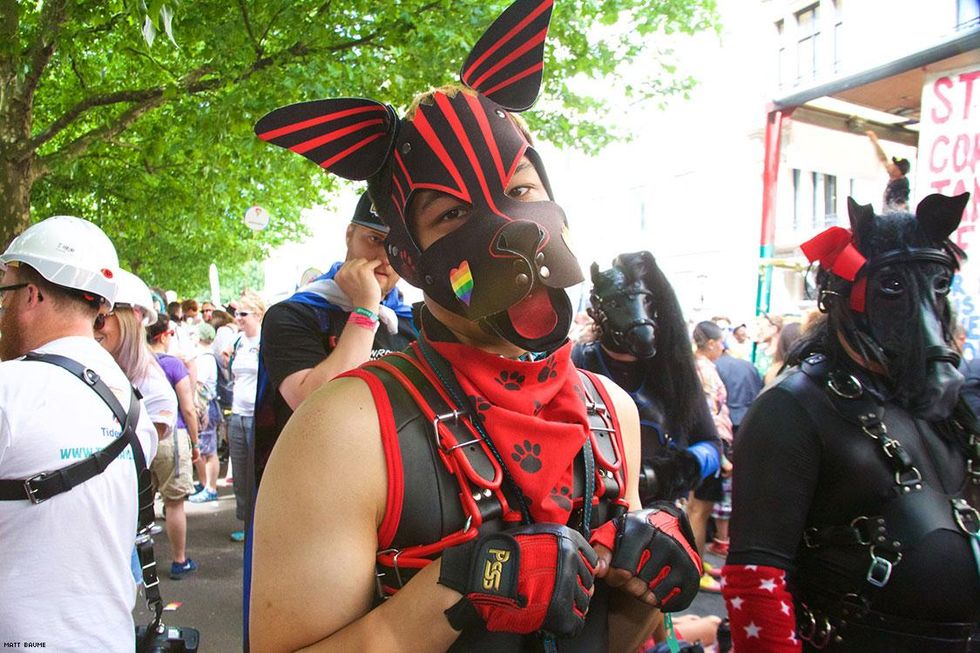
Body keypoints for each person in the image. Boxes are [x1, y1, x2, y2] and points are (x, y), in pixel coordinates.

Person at [249, 1, 702, 650]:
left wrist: (645, 584)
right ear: (407, 256)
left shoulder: (612, 415)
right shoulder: (345, 430)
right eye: (452, 215)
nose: (511, 232)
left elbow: (606, 635)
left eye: (520, 192)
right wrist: (449, 597)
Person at [723, 193, 979, 651]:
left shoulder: (946, 408)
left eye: (936, 286)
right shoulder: (791, 408)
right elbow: (755, 581)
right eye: (893, 289)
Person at [0, 216, 157, 651]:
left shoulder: (9, 391)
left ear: (31, 295)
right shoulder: (131, 403)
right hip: (110, 638)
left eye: (4, 294)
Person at [254, 191, 417, 490]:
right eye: (375, 240)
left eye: (397, 247)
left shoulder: (410, 318)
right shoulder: (294, 314)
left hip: (397, 484)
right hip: (316, 486)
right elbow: (316, 405)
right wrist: (365, 309)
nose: (385, 258)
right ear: (349, 235)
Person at [146, 314, 202, 579]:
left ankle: (134, 562)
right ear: (164, 335)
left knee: (139, 503)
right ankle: (179, 560)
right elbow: (188, 409)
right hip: (172, 435)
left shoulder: (130, 364)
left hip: (139, 437)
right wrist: (195, 442)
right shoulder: (173, 366)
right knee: (174, 502)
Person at [687, 321, 734, 591]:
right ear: (713, 343)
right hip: (710, 447)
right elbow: (708, 415)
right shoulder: (704, 370)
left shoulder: (699, 366)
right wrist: (722, 455)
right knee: (699, 511)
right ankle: (694, 569)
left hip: (705, 447)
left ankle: (696, 564)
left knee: (697, 509)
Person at [227, 289, 265, 542]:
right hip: (237, 415)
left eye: (243, 313)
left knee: (257, 474)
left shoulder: (266, 340)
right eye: (236, 313)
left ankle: (259, 524)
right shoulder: (239, 342)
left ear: (258, 314)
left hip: (256, 416)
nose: (238, 318)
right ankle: (245, 520)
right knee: (240, 474)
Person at [189, 322, 222, 503]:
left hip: (206, 407)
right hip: (207, 406)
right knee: (204, 448)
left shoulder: (204, 358)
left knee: (209, 450)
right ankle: (205, 484)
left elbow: (199, 386)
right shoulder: (207, 356)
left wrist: (198, 409)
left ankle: (211, 487)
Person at [866, 130, 911, 212]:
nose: (889, 165)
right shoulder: (895, 181)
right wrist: (875, 142)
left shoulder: (900, 187)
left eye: (893, 165)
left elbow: (901, 207)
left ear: (898, 171)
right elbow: (883, 158)